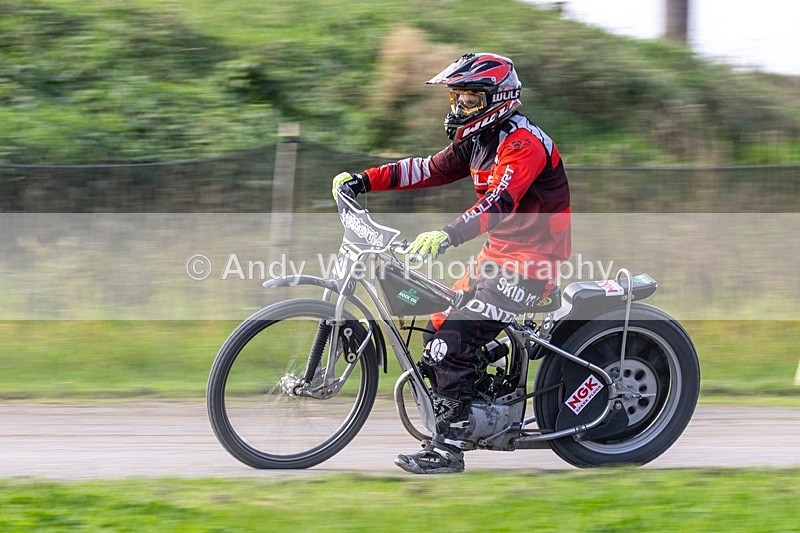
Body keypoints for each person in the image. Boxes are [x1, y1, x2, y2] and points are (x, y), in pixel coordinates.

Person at [331, 52, 572, 474]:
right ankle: (482, 407)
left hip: (531, 266)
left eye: (469, 100)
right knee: (436, 331)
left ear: (499, 99)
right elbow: (424, 169)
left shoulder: (522, 144)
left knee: (449, 347)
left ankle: (449, 449)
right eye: (456, 99)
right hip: (495, 260)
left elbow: (498, 204)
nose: (459, 108)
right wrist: (363, 180)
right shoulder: (479, 142)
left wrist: (448, 234)